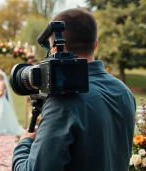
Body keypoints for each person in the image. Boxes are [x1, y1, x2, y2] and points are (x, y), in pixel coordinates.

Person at [12, 8, 136, 171]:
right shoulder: (124, 92)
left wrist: (24, 143)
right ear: (96, 44)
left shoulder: (64, 100)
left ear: (56, 49)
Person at [0, 71, 23, 135]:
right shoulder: (0, 82)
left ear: (1, 76)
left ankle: (1, 128)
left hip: (1, 100)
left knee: (1, 113)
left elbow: (1, 94)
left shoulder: (3, 83)